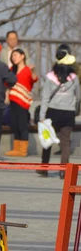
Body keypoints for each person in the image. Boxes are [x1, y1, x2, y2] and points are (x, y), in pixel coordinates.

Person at [37, 48, 80, 179]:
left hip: (52, 112)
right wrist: (75, 110)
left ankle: (44, 169)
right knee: (65, 143)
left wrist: (42, 116)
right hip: (68, 113)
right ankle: (63, 171)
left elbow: (45, 97)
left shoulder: (51, 77)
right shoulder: (74, 78)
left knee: (47, 140)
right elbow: (78, 97)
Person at [5, 48, 38, 157]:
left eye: (16, 55)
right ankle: (16, 149)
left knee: (22, 124)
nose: (14, 57)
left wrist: (33, 71)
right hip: (13, 100)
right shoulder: (11, 70)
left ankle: (23, 150)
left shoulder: (28, 70)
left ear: (22, 56)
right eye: (13, 56)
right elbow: (6, 84)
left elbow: (34, 79)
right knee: (14, 123)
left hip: (23, 101)